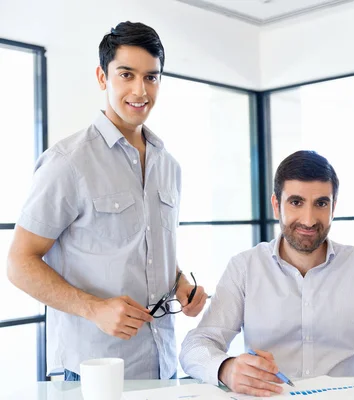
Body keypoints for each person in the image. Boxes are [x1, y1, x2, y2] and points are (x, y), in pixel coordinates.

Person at [6, 21, 207, 380]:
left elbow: (147, 248)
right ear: (103, 77)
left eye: (151, 77)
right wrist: (94, 309)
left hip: (163, 366)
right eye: (126, 74)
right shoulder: (68, 162)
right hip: (94, 373)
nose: (140, 90)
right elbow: (20, 263)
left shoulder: (169, 166)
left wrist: (182, 285)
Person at [180, 150, 354, 399]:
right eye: (296, 202)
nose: (309, 219)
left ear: (333, 207)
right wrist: (226, 368)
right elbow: (197, 345)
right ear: (276, 205)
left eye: (321, 204)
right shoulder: (244, 267)